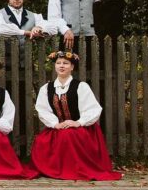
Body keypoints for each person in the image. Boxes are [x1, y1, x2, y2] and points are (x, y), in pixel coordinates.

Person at [27, 50, 121, 181]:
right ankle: (54, 169)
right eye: (58, 63)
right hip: (58, 127)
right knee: (41, 141)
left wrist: (78, 122)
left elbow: (92, 109)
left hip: (82, 128)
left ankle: (71, 170)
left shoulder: (81, 86)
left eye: (65, 63)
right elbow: (43, 110)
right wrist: (55, 124)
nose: (61, 66)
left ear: (72, 67)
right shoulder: (46, 88)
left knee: (68, 135)